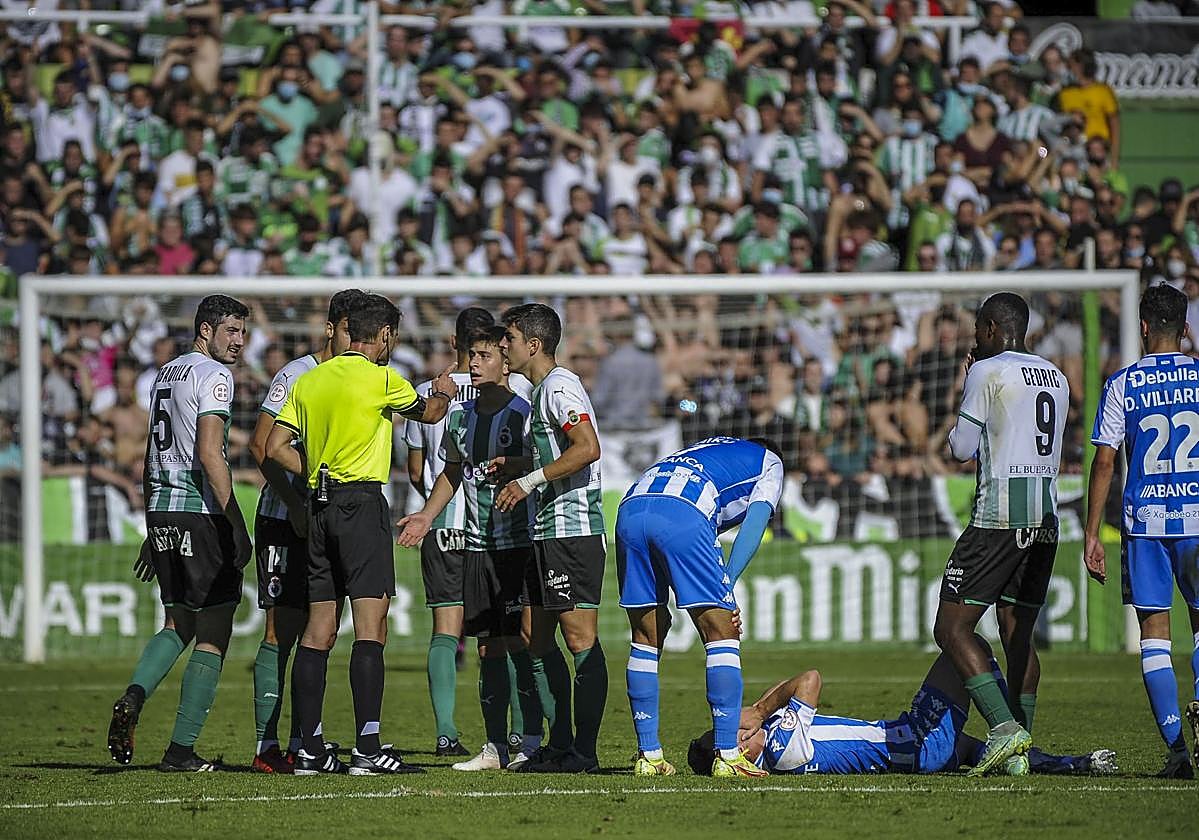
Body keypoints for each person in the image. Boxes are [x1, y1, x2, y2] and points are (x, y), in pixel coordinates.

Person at [266, 293, 458, 775]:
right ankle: (368, 750)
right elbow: (431, 414)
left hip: (319, 505)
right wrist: (443, 391)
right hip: (361, 503)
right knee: (371, 627)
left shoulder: (310, 381)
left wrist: (316, 470)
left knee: (318, 629)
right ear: (385, 335)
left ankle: (309, 749)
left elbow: (274, 446)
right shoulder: (382, 378)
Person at [107, 294, 252, 772]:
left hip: (162, 510)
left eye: (243, 331)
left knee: (177, 624)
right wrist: (235, 522)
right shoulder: (215, 376)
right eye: (231, 330)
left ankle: (134, 695)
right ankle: (181, 750)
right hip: (201, 513)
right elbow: (210, 453)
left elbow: (155, 451)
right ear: (205, 330)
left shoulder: (166, 374)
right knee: (213, 633)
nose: (240, 341)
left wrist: (154, 527)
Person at [932, 292, 1069, 776]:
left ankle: (1005, 729)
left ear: (991, 328)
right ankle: (1020, 754)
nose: (975, 338)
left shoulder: (986, 372)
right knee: (1017, 634)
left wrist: (966, 383)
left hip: (998, 518)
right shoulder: (1056, 375)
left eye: (977, 329)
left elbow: (960, 448)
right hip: (1045, 519)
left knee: (950, 628)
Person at [398, 326, 543, 772]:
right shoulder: (460, 418)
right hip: (478, 545)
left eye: (484, 356)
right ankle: (496, 746)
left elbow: (546, 462)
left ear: (505, 361)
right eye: (472, 355)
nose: (474, 363)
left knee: (522, 642)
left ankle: (533, 739)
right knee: (486, 647)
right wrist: (426, 515)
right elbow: (451, 472)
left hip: (517, 545)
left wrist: (517, 467)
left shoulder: (524, 413)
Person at [687, 642, 1118, 777]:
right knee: (964, 648)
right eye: (733, 736)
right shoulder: (782, 751)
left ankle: (1074, 764)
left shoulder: (773, 738)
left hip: (916, 745)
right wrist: (760, 708)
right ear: (742, 755)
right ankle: (1010, 726)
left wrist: (759, 712)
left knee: (982, 753)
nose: (739, 728)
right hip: (917, 741)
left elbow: (783, 696)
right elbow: (809, 679)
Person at [617, 436, 785, 778]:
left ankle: (649, 756)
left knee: (646, 636)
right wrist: (727, 584)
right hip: (683, 511)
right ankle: (728, 755)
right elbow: (755, 523)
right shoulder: (771, 461)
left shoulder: (707, 448)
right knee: (722, 633)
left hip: (630, 510)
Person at [245, 288, 363, 774]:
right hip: (285, 517)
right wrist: (295, 503)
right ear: (331, 328)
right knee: (281, 630)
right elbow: (260, 446)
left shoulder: (359, 378)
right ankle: (266, 746)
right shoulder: (297, 374)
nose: (357, 340)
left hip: (327, 521)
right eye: (350, 330)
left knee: (322, 631)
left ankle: (304, 741)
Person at [1085, 284, 1199, 779]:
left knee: (1154, 636)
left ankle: (1178, 754)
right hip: (1198, 519)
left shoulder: (1123, 384)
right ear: (1186, 328)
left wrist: (1092, 532)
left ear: (1144, 327)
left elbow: (1105, 461)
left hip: (1146, 524)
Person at [494, 303, 607, 773]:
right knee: (533, 636)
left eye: (510, 338)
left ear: (534, 344)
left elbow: (587, 448)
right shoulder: (542, 391)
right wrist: (518, 467)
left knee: (580, 640)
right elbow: (558, 454)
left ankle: (584, 752)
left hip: (572, 530)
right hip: (545, 529)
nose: (503, 345)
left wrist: (528, 480)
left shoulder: (560, 387)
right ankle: (559, 744)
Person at [404, 306, 496, 758]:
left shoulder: (426, 392)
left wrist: (430, 509)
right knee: (494, 636)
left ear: (453, 342)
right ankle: (509, 735)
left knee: (445, 630)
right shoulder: (502, 389)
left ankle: (445, 733)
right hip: (489, 526)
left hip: (439, 525)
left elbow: (415, 469)